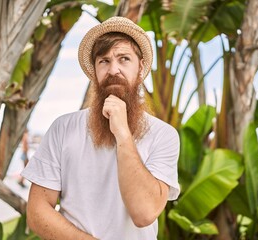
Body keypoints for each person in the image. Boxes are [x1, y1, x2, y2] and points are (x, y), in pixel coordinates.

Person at [21, 16, 180, 239]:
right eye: (103, 61)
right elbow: (37, 212)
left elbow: (144, 213)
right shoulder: (63, 128)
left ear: (140, 66)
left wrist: (123, 133)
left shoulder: (164, 135)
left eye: (124, 59)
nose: (113, 69)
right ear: (94, 71)